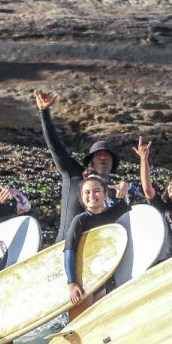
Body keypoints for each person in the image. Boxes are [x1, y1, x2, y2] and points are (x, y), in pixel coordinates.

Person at [34, 89, 139, 241]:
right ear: (91, 161)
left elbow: (145, 195)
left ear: (113, 163)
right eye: (98, 155)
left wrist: (128, 186)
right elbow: (55, 147)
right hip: (64, 247)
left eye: (107, 155)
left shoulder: (115, 191)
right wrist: (44, 112)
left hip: (96, 253)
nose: (103, 157)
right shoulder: (74, 174)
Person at [64, 174, 131, 320]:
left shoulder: (112, 215)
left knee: (97, 324)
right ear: (81, 197)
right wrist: (71, 283)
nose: (91, 195)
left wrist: (124, 186)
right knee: (78, 325)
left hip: (103, 278)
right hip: (83, 281)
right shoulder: (80, 220)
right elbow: (69, 250)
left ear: (105, 194)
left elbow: (136, 200)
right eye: (86, 192)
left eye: (96, 191)